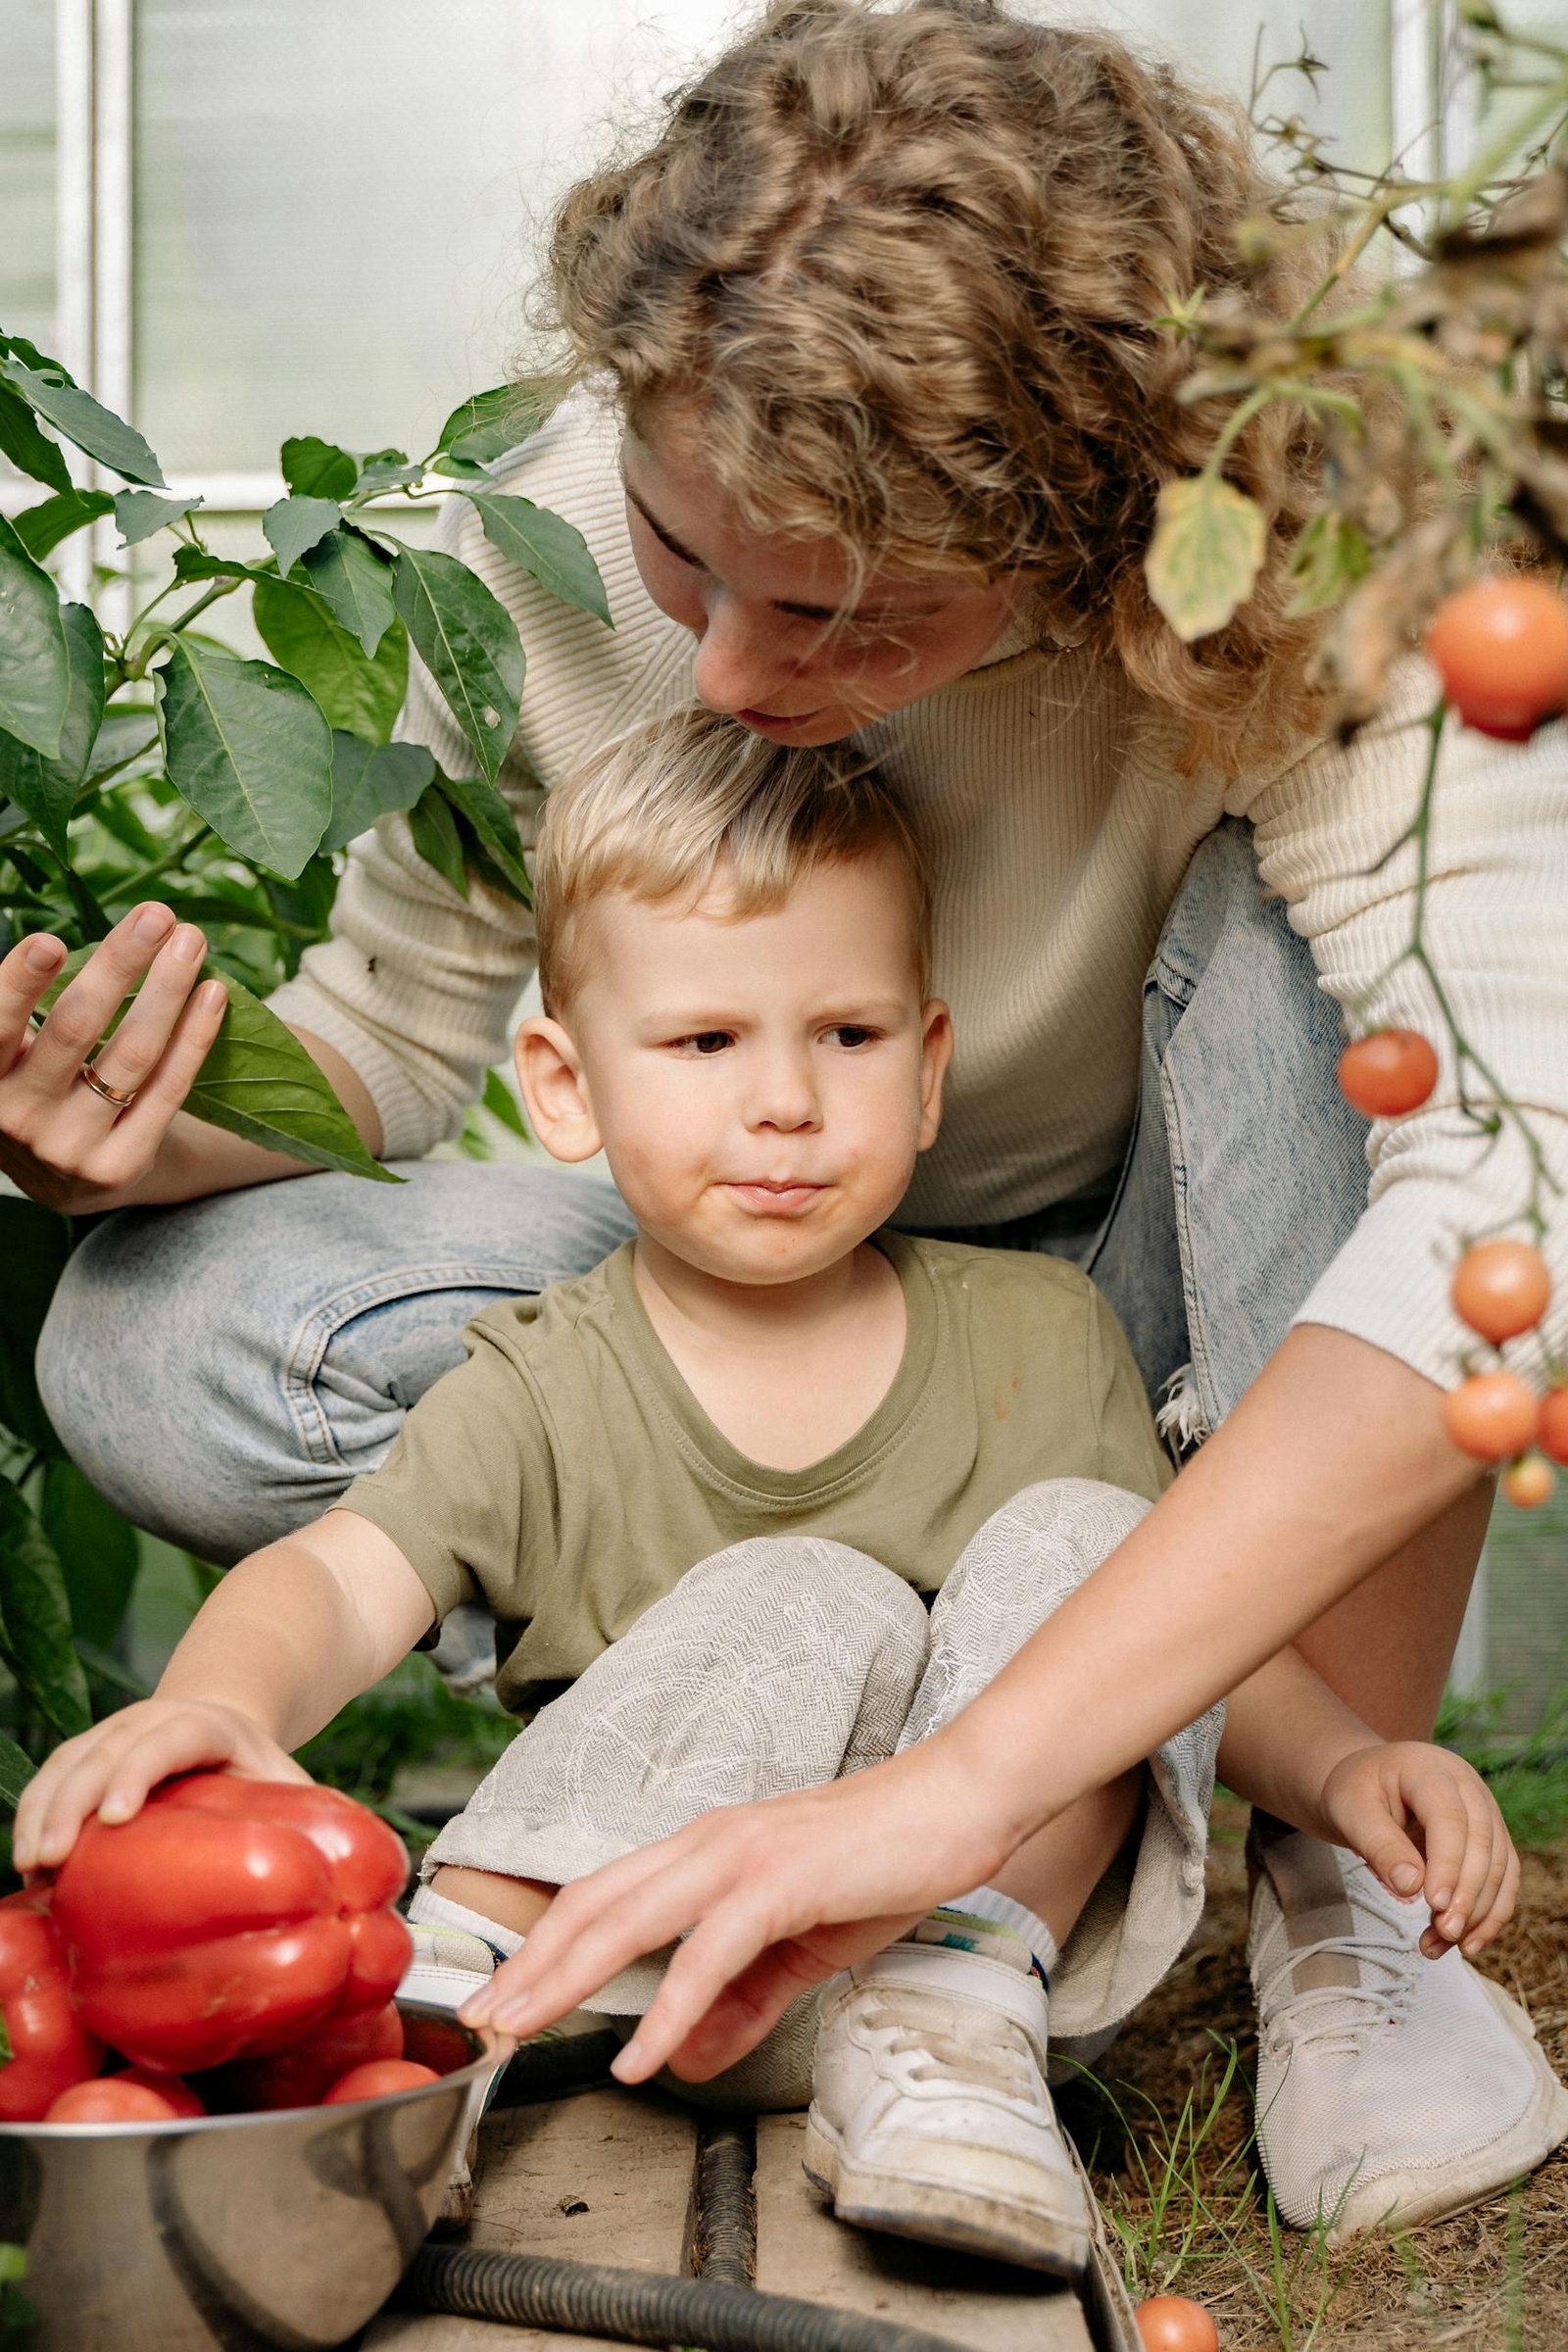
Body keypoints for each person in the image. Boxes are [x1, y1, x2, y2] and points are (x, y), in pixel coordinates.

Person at [6, 0, 1565, 2235]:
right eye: (677, 550)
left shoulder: (1329, 556)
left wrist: (962, 1795)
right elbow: (386, 1040)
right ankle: (773, 1682)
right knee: (151, 1334)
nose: (729, 677)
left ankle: (1314, 1862)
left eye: (846, 611)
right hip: (771, 1280)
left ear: (1091, 533)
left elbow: (1514, 1183)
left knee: (1380, 1024)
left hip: (1177, 1300)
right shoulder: (545, 540)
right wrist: (121, 1130)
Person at [14, 714, 1527, 2269]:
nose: (788, 1102)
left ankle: (941, 2047)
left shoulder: (1037, 1339)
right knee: (805, 1591)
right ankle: (443, 2007)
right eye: (706, 1043)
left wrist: (1345, 1764)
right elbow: (339, 1578)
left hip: (965, 1981)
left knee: (1101, 1543)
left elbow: (1195, 1640)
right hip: (632, 1965)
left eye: (849, 1037)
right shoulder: (548, 1374)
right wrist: (220, 1709)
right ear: (563, 1083)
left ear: (931, 1070)